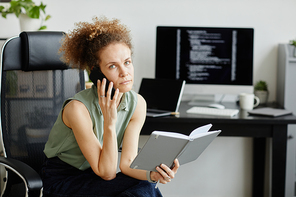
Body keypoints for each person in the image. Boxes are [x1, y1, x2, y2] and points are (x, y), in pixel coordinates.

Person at [41, 16, 180, 197]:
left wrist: (153, 175)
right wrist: (110, 121)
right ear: (97, 73)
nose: (125, 72)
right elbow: (107, 173)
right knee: (144, 189)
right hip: (63, 180)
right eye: (113, 66)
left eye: (127, 62)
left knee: (147, 183)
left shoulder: (137, 104)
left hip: (96, 177)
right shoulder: (77, 109)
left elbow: (127, 163)